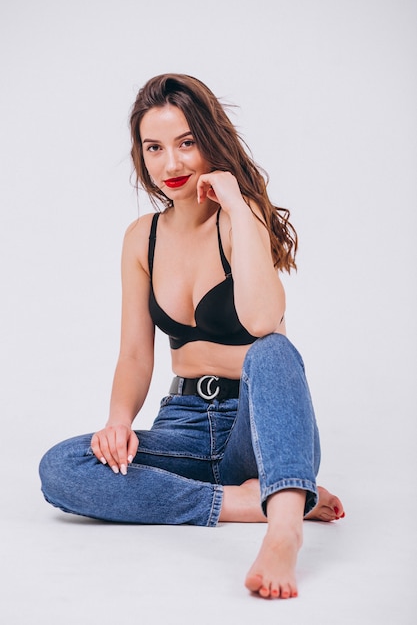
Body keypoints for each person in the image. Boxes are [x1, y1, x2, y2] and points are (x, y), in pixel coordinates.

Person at [39, 73, 345, 600]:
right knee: (62, 467)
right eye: (154, 148)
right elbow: (136, 353)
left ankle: (285, 529)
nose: (172, 164)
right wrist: (117, 423)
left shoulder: (238, 221)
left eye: (186, 143)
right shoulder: (142, 238)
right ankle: (253, 502)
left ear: (211, 139)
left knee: (274, 352)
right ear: (142, 156)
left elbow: (264, 322)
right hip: (182, 424)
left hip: (257, 423)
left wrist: (237, 202)